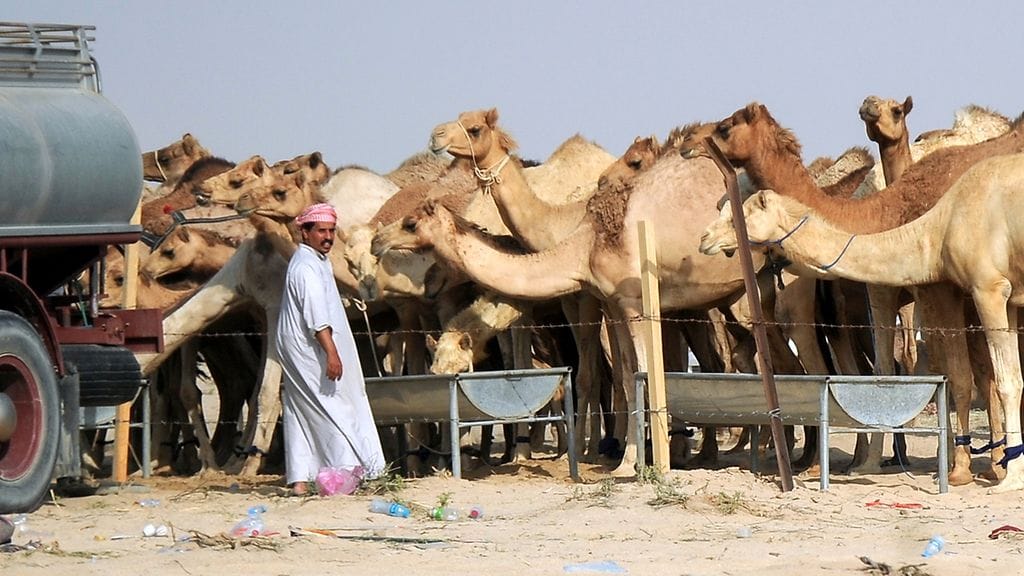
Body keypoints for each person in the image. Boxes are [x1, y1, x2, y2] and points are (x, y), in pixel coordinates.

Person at [275, 202, 386, 496]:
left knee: (302, 408)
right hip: (310, 348)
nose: (328, 236)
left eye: (331, 231)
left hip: (308, 345)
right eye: (321, 230)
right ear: (305, 232)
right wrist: (332, 353)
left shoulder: (316, 261)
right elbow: (316, 317)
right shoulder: (306, 268)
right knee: (332, 405)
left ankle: (300, 479)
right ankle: (345, 472)